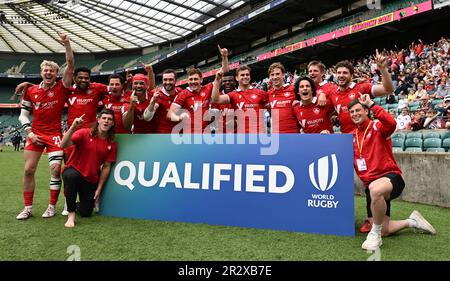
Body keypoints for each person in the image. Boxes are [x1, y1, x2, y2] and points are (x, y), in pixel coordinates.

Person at [348, 94, 436, 250]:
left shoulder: (377, 127)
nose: (355, 114)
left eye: (358, 110)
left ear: (366, 111)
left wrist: (371, 103)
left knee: (376, 191)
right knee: (385, 229)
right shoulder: (351, 137)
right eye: (352, 112)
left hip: (390, 178)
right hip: (371, 186)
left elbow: (391, 123)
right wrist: (326, 137)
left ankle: (374, 235)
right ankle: (413, 222)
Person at [330, 50, 394, 233]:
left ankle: (372, 219)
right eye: (339, 72)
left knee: (371, 177)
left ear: (351, 75)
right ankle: (347, 216)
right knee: (359, 179)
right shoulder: (332, 93)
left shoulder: (362, 88)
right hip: (347, 143)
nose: (341, 76)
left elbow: (388, 89)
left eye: (345, 73)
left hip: (367, 139)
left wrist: (383, 70)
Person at [16, 32, 74, 220]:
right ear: (41, 73)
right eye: (45, 71)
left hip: (55, 134)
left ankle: (51, 207)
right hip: (35, 134)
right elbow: (23, 115)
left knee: (56, 170)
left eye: (52, 71)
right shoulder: (30, 91)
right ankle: (28, 208)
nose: (49, 73)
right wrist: (29, 132)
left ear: (57, 74)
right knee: (28, 169)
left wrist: (66, 44)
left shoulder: (62, 87)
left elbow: (71, 66)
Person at [60, 109, 117, 228]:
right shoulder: (84, 133)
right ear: (98, 120)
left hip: (90, 178)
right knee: (72, 176)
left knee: (86, 213)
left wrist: (99, 189)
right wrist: (72, 127)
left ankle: (75, 203)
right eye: (104, 118)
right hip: (73, 169)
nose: (106, 121)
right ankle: (71, 215)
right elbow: (63, 145)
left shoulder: (111, 143)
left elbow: (106, 167)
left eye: (109, 119)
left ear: (112, 123)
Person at [167, 45, 229, 134]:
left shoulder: (207, 88)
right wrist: (179, 118)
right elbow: (169, 114)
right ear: (188, 81)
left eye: (195, 79)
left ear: (201, 80)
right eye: (190, 79)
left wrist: (224, 57)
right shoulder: (183, 94)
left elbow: (223, 71)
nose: (193, 82)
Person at [211, 65, 269, 133]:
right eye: (242, 75)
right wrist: (217, 80)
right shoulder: (233, 95)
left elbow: (271, 110)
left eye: (247, 75)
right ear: (237, 78)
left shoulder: (261, 93)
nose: (245, 77)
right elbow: (215, 99)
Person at [142, 69, 182, 133]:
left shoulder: (180, 92)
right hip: (164, 135)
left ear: (176, 81)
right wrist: (153, 101)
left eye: (170, 79)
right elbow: (147, 117)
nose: (167, 82)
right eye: (165, 80)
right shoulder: (158, 95)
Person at [266, 62, 299, 133]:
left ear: (283, 75)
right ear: (269, 77)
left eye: (277, 74)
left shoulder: (294, 89)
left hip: (294, 132)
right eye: (272, 75)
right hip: (277, 135)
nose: (275, 77)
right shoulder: (268, 94)